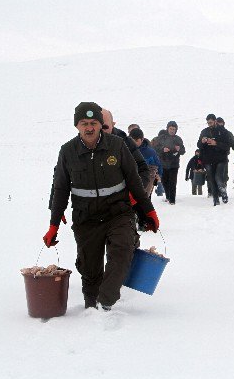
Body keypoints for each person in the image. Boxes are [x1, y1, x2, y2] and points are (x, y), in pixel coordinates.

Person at [43, 102, 160, 311]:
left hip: (118, 213)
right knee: (90, 268)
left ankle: (106, 300)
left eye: (94, 123)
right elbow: (60, 188)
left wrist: (148, 211)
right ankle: (91, 306)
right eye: (84, 123)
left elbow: (134, 180)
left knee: (123, 250)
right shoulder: (67, 151)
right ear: (77, 126)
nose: (89, 128)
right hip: (86, 217)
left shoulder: (118, 145)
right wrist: (54, 223)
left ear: (100, 124)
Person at [198, 114, 232, 205]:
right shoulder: (204, 131)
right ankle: (215, 200)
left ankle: (223, 192)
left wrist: (215, 143)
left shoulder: (223, 131)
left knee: (218, 177)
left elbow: (227, 146)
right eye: (208, 122)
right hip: (208, 160)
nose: (209, 124)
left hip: (221, 159)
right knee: (211, 179)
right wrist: (202, 141)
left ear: (215, 121)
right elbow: (199, 145)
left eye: (211, 122)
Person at [153, 121, 186, 205]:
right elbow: (155, 149)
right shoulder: (161, 138)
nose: (172, 131)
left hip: (174, 164)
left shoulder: (178, 139)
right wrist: (163, 149)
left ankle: (172, 200)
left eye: (174, 129)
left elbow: (183, 151)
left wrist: (179, 149)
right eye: (170, 129)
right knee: (165, 181)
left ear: (176, 130)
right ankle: (168, 196)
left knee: (173, 182)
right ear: (167, 128)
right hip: (163, 164)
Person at [129, 127, 163, 197]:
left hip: (148, 178)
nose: (134, 143)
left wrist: (159, 174)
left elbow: (157, 164)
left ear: (142, 139)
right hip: (132, 177)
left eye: (136, 140)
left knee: (144, 197)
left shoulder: (150, 152)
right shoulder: (127, 149)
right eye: (132, 140)